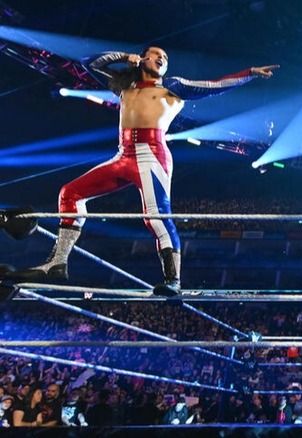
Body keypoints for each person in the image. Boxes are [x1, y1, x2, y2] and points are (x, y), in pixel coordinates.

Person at [5, 46, 279, 297]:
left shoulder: (173, 86)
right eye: (156, 54)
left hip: (152, 155)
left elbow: (215, 85)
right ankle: (57, 262)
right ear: (143, 57)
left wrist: (250, 73)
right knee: (71, 193)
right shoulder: (125, 86)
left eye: (166, 58)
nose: (162, 59)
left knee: (156, 217)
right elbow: (90, 63)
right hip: (123, 154)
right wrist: (125, 57)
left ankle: (173, 280)